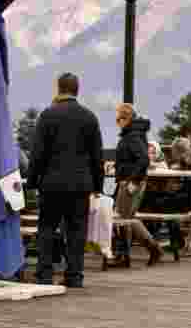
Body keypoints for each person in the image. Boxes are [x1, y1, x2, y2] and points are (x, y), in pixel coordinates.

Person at [26, 73, 103, 288]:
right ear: (77, 90)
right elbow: (97, 156)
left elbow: (38, 154)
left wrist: (31, 182)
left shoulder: (48, 115)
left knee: (47, 228)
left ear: (58, 89)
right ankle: (74, 275)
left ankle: (44, 274)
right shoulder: (89, 117)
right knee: (77, 230)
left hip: (51, 184)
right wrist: (98, 185)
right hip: (80, 185)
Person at [112, 104, 164, 266]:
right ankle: (125, 255)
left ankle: (150, 249)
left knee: (124, 219)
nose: (117, 122)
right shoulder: (134, 134)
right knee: (126, 218)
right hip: (130, 180)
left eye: (118, 118)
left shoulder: (132, 136)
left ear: (125, 118)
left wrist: (133, 181)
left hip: (130, 182)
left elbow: (143, 159)